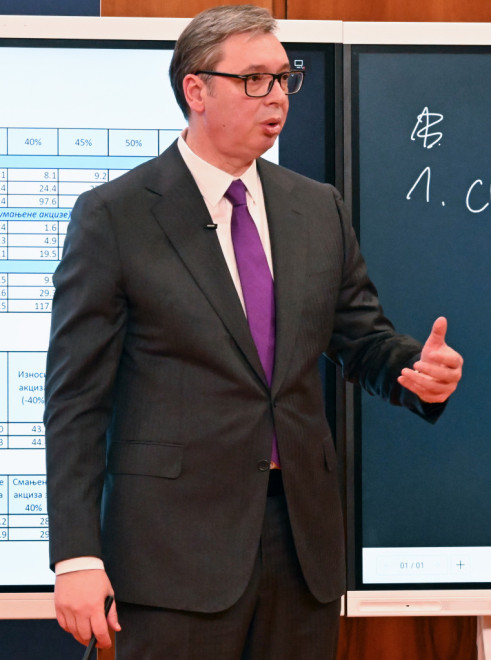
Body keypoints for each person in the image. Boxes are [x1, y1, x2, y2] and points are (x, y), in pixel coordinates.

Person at [43, 5, 463, 657]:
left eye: (284, 78)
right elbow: (75, 400)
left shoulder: (316, 208)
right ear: (196, 90)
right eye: (254, 80)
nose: (277, 96)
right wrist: (75, 556)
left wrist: (416, 371)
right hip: (172, 551)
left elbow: (361, 338)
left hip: (300, 543)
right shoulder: (115, 216)